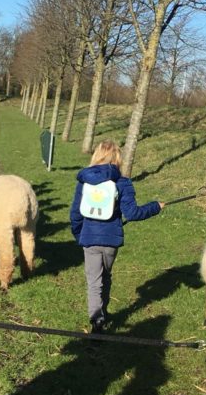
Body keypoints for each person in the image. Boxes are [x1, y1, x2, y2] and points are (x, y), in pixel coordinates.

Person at [70, 140, 164, 333]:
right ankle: (103, 311)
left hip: (89, 238)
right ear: (117, 158)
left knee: (93, 281)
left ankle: (97, 320)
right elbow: (132, 213)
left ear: (97, 155)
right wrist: (156, 206)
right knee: (106, 276)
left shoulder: (84, 181)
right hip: (111, 239)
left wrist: (80, 234)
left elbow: (75, 213)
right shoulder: (122, 182)